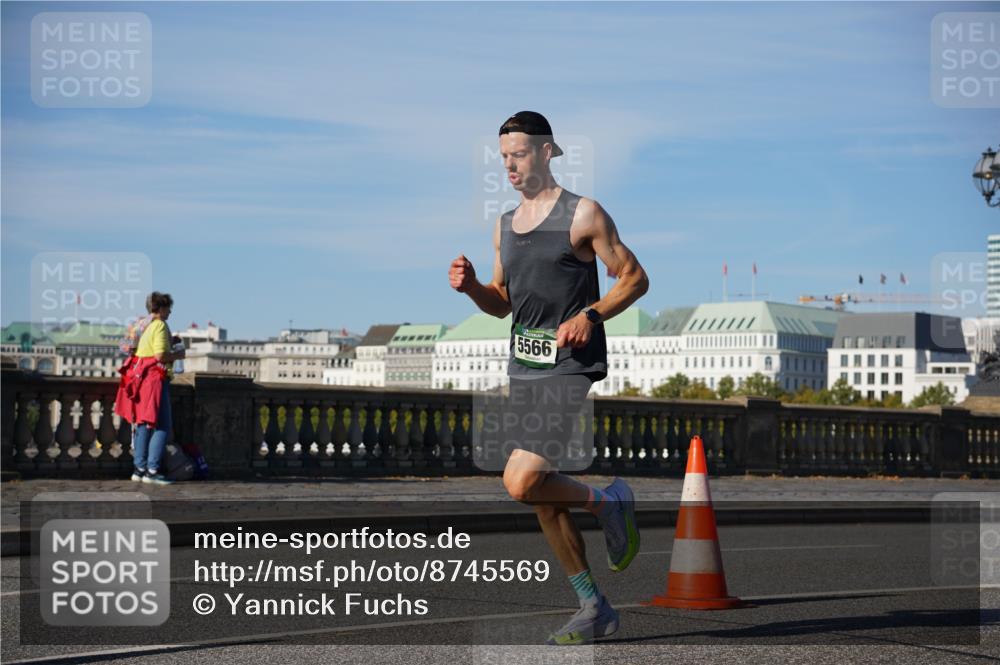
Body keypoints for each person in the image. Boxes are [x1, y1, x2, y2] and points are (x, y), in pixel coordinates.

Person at [449, 111, 650, 645]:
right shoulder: (503, 225)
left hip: (570, 366)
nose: (509, 166)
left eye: (518, 154)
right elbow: (502, 302)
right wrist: (471, 289)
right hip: (526, 366)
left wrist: (592, 314)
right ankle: (593, 607)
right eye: (503, 158)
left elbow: (634, 278)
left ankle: (610, 502)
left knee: (519, 481)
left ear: (546, 152)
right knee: (542, 496)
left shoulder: (583, 214)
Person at [115, 292, 185, 485]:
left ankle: (139, 469)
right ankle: (152, 471)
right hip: (155, 379)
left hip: (140, 379)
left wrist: (172, 341)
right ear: (161, 308)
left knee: (143, 425)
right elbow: (161, 355)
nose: (170, 311)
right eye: (168, 307)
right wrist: (179, 355)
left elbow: (146, 349)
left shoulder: (144, 325)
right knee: (162, 425)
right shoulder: (160, 325)